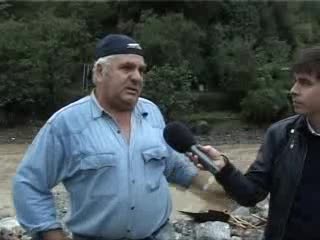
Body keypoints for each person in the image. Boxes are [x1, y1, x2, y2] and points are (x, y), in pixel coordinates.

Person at [12, 34, 200, 240]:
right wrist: (51, 234)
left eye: (141, 70)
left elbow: (173, 166)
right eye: (127, 68)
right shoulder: (66, 123)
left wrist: (218, 178)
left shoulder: (152, 113)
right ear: (100, 72)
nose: (137, 77)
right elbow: (29, 184)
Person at [191, 46, 320, 240]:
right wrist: (224, 169)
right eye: (295, 81)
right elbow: (250, 195)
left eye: (304, 83)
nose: (293, 90)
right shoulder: (281, 135)